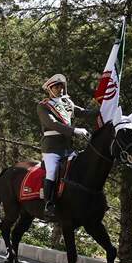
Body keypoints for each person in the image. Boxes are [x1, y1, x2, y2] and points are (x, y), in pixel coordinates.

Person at [37, 74, 99, 218]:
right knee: (52, 172)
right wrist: (74, 130)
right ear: (50, 89)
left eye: (61, 87)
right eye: (57, 87)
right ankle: (49, 204)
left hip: (67, 147)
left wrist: (105, 108)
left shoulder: (67, 103)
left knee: (79, 170)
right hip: (52, 147)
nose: (60, 89)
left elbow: (84, 113)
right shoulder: (44, 106)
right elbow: (52, 124)